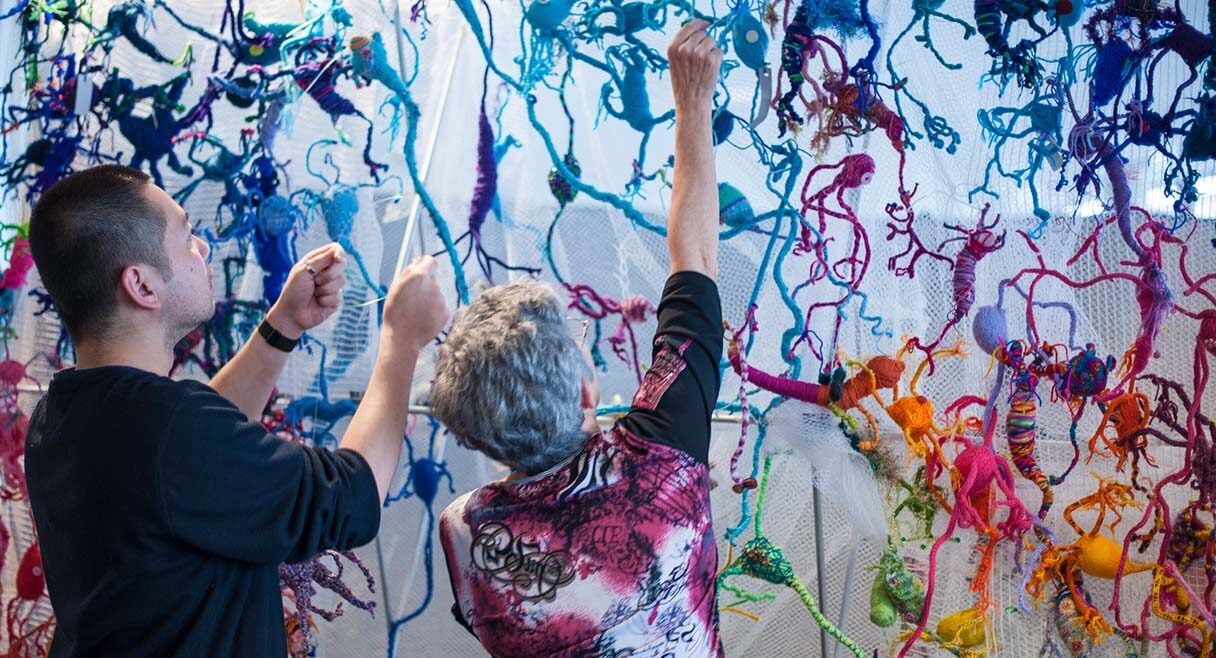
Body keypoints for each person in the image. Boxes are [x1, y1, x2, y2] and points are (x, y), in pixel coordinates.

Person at [24, 164, 449, 656]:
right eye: (186, 238)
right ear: (141, 286)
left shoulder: (62, 415)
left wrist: (283, 325)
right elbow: (350, 497)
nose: (202, 247)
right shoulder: (169, 431)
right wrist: (400, 339)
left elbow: (194, 463)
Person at [431, 22, 725, 657]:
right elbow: (695, 256)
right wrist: (693, 102)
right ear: (587, 389)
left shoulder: (464, 531)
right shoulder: (659, 463)